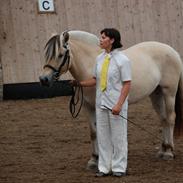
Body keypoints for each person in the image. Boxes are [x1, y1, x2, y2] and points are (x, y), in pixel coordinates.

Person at [71, 28, 132, 177]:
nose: (100, 40)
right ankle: (104, 167)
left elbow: (127, 84)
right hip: (101, 104)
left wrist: (119, 104)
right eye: (101, 37)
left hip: (116, 104)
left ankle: (119, 167)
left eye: (103, 37)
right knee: (103, 137)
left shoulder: (123, 60)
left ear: (112, 40)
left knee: (118, 137)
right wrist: (79, 83)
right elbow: (95, 80)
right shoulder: (99, 59)